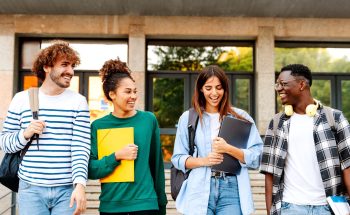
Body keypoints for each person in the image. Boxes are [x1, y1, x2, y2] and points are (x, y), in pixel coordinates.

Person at [0, 40, 90, 215]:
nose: (70, 71)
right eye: (64, 65)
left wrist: (80, 185)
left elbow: (81, 147)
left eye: (72, 66)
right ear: (47, 67)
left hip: (67, 191)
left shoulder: (78, 102)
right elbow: (4, 142)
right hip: (30, 189)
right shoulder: (21, 99)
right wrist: (24, 134)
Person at [171, 65, 263, 215]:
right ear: (201, 89)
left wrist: (229, 149)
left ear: (225, 89)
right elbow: (178, 159)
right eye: (208, 88)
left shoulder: (241, 117)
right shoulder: (188, 118)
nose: (214, 93)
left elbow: (258, 156)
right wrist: (205, 161)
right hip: (198, 188)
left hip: (232, 189)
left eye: (219, 88)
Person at [260, 64, 350, 215]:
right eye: (277, 84)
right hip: (290, 208)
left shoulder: (334, 118)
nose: (278, 88)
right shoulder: (276, 123)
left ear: (301, 84)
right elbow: (269, 173)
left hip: (328, 208)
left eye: (283, 84)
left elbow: (348, 165)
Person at [88, 59, 167, 215]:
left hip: (146, 205)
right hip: (111, 206)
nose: (133, 96)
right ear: (112, 95)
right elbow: (90, 169)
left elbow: (156, 166)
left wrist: (161, 205)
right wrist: (116, 156)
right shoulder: (98, 126)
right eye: (127, 91)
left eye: (135, 91)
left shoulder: (148, 120)